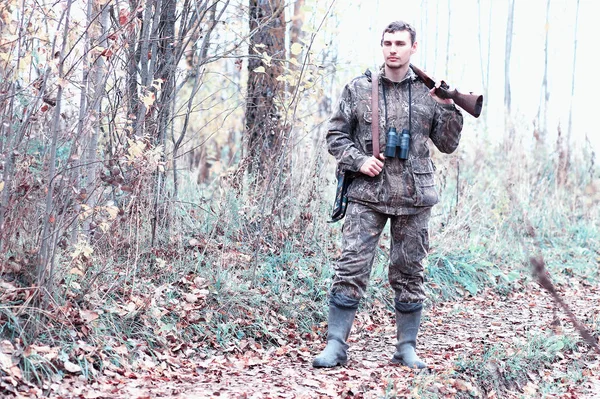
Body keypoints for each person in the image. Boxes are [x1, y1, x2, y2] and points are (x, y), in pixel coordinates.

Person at [313, 21, 463, 369]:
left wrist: (448, 106)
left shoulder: (430, 93)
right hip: (368, 192)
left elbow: (448, 144)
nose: (392, 49)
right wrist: (360, 160)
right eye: (387, 43)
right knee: (351, 265)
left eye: (400, 43)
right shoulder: (359, 88)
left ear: (414, 48)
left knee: (410, 272)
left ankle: (406, 348)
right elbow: (336, 136)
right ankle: (335, 345)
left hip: (414, 195)